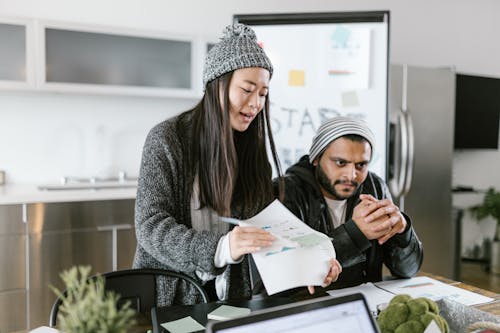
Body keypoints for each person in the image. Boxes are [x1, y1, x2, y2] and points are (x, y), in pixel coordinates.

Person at [133, 23, 340, 306]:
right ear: (217, 85)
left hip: (229, 299)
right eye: (247, 89)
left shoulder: (251, 151)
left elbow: (266, 229)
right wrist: (221, 248)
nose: (256, 104)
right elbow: (151, 226)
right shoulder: (167, 140)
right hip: (171, 298)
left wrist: (306, 266)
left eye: (263, 94)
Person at [279, 116, 423, 289]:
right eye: (340, 163)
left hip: (364, 305)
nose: (351, 175)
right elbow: (286, 274)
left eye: (361, 165)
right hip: (308, 309)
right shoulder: (286, 192)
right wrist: (356, 233)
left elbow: (408, 271)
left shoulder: (374, 187)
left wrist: (403, 232)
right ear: (316, 158)